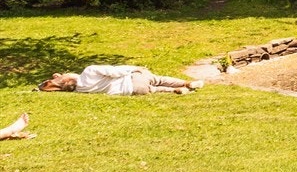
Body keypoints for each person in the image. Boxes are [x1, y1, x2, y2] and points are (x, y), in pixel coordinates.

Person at [39, 66, 203, 96]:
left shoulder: (80, 90)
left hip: (132, 91)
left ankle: (176, 91)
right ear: (67, 77)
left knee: (154, 89)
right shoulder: (89, 71)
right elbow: (114, 72)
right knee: (157, 79)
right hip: (133, 79)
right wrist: (133, 69)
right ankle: (186, 83)